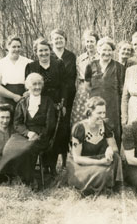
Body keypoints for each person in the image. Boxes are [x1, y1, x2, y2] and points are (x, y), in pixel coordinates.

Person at [0, 73, 56, 187]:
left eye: (39, 84)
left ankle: (26, 180)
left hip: (41, 136)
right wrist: (27, 132)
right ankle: (7, 176)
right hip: (23, 133)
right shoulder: (23, 102)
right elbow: (17, 123)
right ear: (28, 86)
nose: (37, 87)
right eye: (34, 84)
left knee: (27, 149)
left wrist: (38, 134)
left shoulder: (48, 102)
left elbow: (50, 125)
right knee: (9, 146)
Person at [25, 38, 67, 175]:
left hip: (55, 105)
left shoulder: (59, 64)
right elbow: (28, 88)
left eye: (46, 50)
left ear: (50, 50)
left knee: (54, 134)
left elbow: (64, 86)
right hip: (39, 105)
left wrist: (63, 103)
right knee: (42, 133)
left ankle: (52, 166)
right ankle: (41, 166)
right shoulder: (31, 67)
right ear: (36, 52)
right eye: (40, 51)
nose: (43, 53)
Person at [67, 96, 123, 196]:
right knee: (103, 172)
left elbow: (115, 149)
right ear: (90, 112)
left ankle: (110, 183)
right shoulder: (79, 128)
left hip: (100, 159)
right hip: (83, 165)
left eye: (104, 112)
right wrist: (99, 162)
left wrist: (109, 149)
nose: (102, 116)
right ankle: (103, 184)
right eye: (99, 113)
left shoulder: (105, 124)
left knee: (116, 158)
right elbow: (77, 158)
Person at [85, 37, 125, 149]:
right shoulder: (91, 65)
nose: (106, 53)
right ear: (98, 50)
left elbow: (122, 89)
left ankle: (114, 161)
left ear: (113, 51)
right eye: (104, 50)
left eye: (109, 50)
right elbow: (87, 86)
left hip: (113, 106)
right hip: (95, 105)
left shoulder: (119, 67)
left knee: (112, 131)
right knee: (95, 129)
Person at [0, 35, 32, 130]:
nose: (16, 49)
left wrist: (28, 92)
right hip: (4, 97)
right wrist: (13, 96)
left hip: (22, 98)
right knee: (2, 124)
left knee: (20, 124)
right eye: (13, 46)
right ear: (8, 47)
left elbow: (34, 81)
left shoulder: (28, 62)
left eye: (18, 46)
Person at [50, 29, 77, 170]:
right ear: (51, 40)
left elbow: (74, 76)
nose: (58, 41)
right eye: (56, 39)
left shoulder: (71, 56)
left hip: (70, 95)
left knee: (66, 127)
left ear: (65, 40)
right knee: (54, 126)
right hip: (53, 96)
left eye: (61, 38)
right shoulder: (48, 55)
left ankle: (66, 160)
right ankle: (52, 160)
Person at [71, 30, 99, 127]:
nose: (89, 44)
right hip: (83, 90)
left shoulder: (100, 57)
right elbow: (77, 77)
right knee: (79, 116)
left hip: (97, 88)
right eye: (87, 42)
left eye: (92, 41)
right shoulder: (80, 58)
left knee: (95, 114)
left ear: (96, 42)